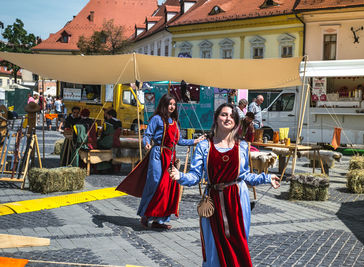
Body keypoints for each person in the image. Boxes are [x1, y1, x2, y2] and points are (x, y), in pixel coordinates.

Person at [169, 103, 280, 266]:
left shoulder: (241, 146)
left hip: (237, 200)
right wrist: (180, 176)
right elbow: (195, 176)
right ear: (216, 118)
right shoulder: (204, 146)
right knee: (213, 244)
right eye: (223, 114)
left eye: (231, 116)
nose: (228, 118)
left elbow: (245, 176)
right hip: (213, 201)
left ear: (235, 122)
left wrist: (266, 178)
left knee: (238, 243)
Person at [117, 93, 205, 230]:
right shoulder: (157, 119)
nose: (172, 107)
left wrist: (195, 141)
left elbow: (179, 141)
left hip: (170, 156)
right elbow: (148, 134)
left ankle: (160, 219)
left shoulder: (175, 123)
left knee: (168, 187)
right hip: (158, 154)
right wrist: (146, 143)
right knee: (155, 183)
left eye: (174, 104)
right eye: (170, 104)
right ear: (164, 104)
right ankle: (145, 214)